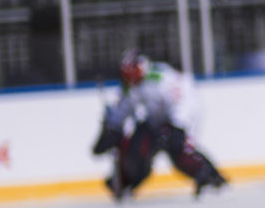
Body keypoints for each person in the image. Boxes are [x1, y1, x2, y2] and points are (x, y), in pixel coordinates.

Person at [95, 48, 228, 199]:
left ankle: (210, 177)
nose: (129, 78)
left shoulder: (161, 77)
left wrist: (178, 124)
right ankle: (126, 179)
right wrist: (113, 128)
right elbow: (123, 108)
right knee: (139, 145)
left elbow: (182, 99)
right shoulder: (129, 85)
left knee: (178, 147)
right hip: (156, 120)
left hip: (183, 115)